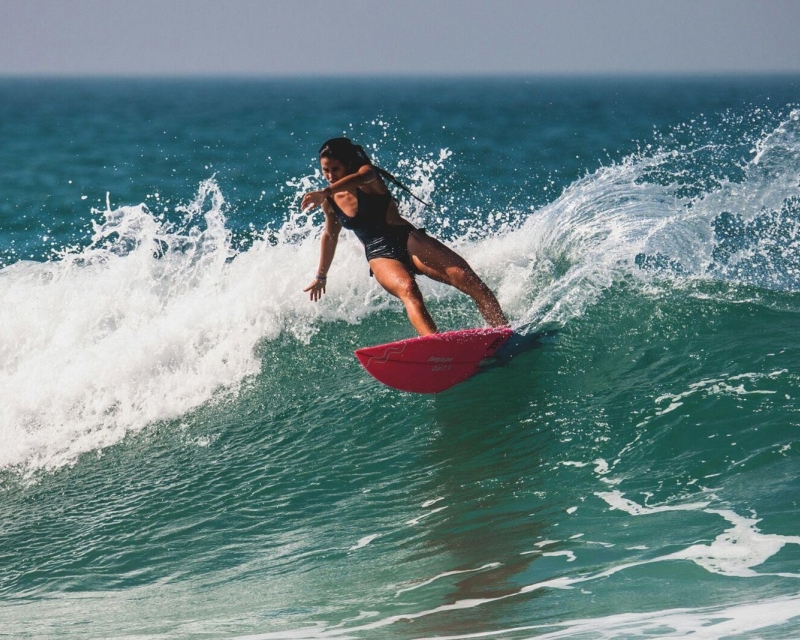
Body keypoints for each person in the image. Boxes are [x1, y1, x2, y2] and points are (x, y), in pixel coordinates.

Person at [301, 137, 508, 336]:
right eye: (325, 170)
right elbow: (330, 235)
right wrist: (321, 276)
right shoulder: (329, 201)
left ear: (348, 164)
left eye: (335, 169)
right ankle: (437, 347)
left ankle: (504, 333)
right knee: (409, 290)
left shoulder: (367, 176)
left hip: (407, 239)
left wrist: (326, 191)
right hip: (379, 253)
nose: (329, 176)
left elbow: (366, 176)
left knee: (468, 280)